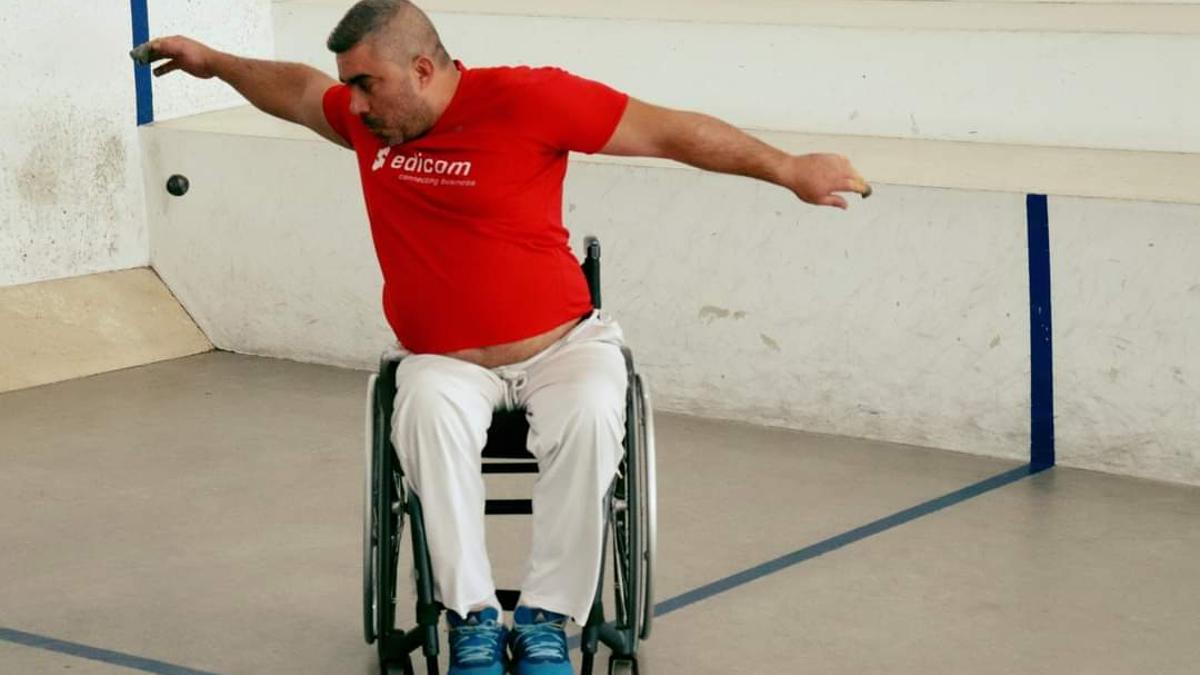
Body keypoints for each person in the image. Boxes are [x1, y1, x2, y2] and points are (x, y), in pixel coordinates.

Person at [138, 1, 870, 673]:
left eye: (367, 83)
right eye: (349, 87)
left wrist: (787, 168)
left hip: (563, 346)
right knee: (422, 412)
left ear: (423, 70)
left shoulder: (530, 99)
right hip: (443, 362)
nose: (354, 104)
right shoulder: (369, 123)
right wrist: (215, 62)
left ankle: (548, 618)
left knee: (590, 415)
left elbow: (669, 131)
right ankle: (474, 619)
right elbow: (296, 91)